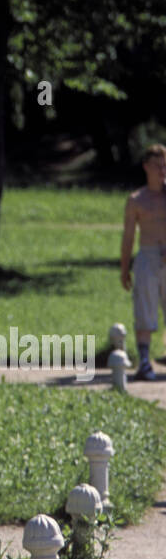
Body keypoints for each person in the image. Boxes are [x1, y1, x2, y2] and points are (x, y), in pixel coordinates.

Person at [120, 143, 166, 381]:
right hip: (148, 256)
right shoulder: (137, 199)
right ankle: (145, 362)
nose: (162, 171)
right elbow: (128, 236)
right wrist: (124, 267)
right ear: (146, 167)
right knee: (145, 309)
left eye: (165, 166)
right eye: (157, 166)